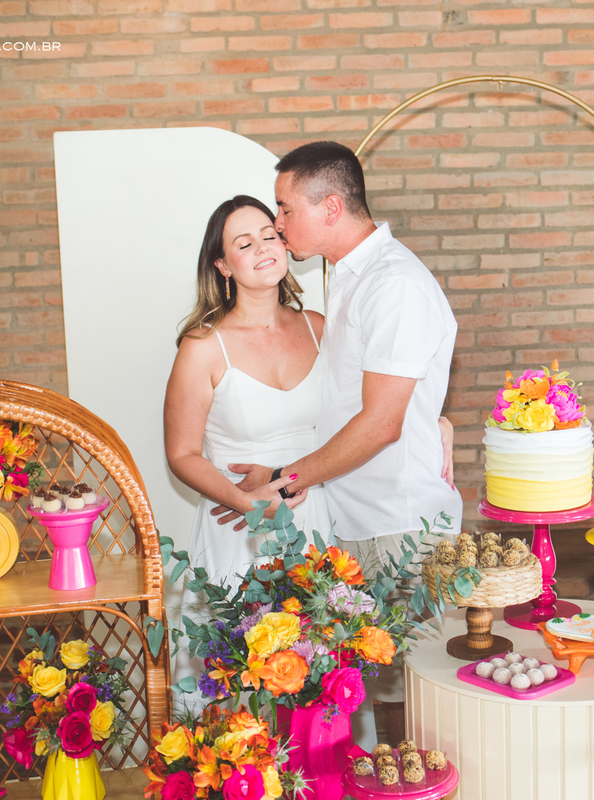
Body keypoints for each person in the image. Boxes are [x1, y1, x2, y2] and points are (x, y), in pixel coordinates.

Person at [227, 141, 463, 744]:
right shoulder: (347, 273)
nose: (277, 226)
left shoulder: (394, 284)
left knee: (422, 703)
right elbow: (349, 403)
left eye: (284, 210)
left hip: (400, 523)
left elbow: (380, 423)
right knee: (382, 697)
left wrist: (286, 481)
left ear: (331, 207)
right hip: (361, 516)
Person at [162, 194, 327, 700]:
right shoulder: (204, 344)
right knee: (235, 680)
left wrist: (440, 422)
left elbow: (365, 417)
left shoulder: (320, 328)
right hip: (239, 531)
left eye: (269, 235)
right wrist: (247, 503)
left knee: (323, 669)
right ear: (222, 265)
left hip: (319, 517)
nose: (262, 248)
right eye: (243, 242)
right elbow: (181, 453)